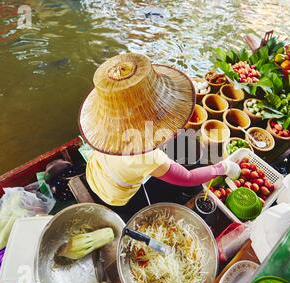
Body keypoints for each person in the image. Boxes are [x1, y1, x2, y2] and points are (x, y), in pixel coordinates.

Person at [78, 53, 240, 207]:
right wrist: (223, 168)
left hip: (94, 172)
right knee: (177, 184)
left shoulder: (107, 127)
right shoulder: (147, 156)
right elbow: (188, 178)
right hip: (114, 196)